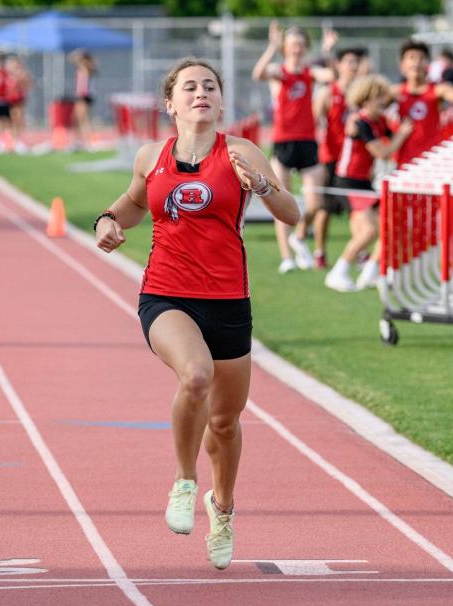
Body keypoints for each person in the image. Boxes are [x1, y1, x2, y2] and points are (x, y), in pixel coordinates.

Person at [94, 58, 299, 570]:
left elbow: (291, 213)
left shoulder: (241, 152)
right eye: (190, 87)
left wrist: (265, 187)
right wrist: (106, 220)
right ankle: (185, 483)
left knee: (226, 423)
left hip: (229, 300)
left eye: (210, 86)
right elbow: (135, 205)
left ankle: (222, 508)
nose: (201, 93)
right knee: (196, 376)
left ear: (222, 102)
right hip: (166, 295)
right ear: (171, 103)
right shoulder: (150, 155)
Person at [253, 21, 337, 274]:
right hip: (283, 142)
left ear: (306, 48)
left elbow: (333, 76)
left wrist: (329, 51)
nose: (296, 50)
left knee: (314, 203)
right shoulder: (279, 72)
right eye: (292, 45)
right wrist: (271, 46)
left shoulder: (310, 72)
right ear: (285, 48)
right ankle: (287, 256)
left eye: (300, 45)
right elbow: (258, 74)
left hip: (308, 141)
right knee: (282, 199)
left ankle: (298, 236)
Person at [324, 75, 413, 292]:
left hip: (363, 182)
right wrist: (401, 135)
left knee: (390, 227)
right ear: (365, 99)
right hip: (348, 182)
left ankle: (370, 271)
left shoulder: (377, 120)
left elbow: (390, 129)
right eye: (378, 97)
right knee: (369, 232)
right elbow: (382, 152)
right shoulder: (361, 122)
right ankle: (338, 271)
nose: (383, 101)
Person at [312, 47, 370, 269]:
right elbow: (316, 122)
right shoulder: (329, 93)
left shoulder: (361, 94)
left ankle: (361, 251)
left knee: (356, 207)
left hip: (355, 160)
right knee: (326, 207)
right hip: (331, 157)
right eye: (348, 62)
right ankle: (319, 251)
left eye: (356, 62)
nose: (353, 66)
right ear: (339, 65)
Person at [392, 40, 453, 168]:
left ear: (428, 65)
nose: (416, 63)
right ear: (402, 65)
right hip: (404, 163)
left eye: (421, 58)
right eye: (411, 58)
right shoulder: (396, 92)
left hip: (430, 161)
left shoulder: (438, 90)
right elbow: (368, 98)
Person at [69, 49, 97, 150]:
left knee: (83, 119)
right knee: (76, 118)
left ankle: (87, 142)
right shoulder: (81, 67)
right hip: (80, 95)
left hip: (85, 95)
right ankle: (79, 141)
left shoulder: (87, 67)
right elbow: (71, 58)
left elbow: (76, 60)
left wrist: (81, 56)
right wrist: (78, 54)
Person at [5, 55, 32, 154]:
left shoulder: (21, 75)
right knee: (10, 121)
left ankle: (16, 140)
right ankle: (10, 140)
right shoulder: (6, 75)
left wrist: (23, 80)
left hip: (18, 100)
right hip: (8, 100)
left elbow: (28, 86)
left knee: (18, 120)